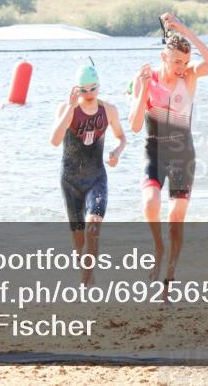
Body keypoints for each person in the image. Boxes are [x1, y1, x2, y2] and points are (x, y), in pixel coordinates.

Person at [129, 13, 208, 286]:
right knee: (150, 203)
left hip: (182, 154)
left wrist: (184, 29)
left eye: (186, 61)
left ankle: (169, 272)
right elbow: (134, 125)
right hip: (154, 151)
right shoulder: (145, 78)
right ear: (163, 57)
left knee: (175, 217)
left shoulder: (190, 77)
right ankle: (158, 247)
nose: (182, 67)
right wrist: (144, 89)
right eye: (177, 62)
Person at [50, 65, 126, 285]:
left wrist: (116, 152)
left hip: (96, 178)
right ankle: (87, 280)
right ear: (76, 89)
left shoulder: (109, 110)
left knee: (93, 226)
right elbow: (54, 141)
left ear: (99, 86)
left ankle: (85, 285)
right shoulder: (66, 108)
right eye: (84, 90)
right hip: (70, 180)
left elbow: (122, 137)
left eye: (94, 88)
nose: (90, 93)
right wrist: (70, 108)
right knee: (78, 241)